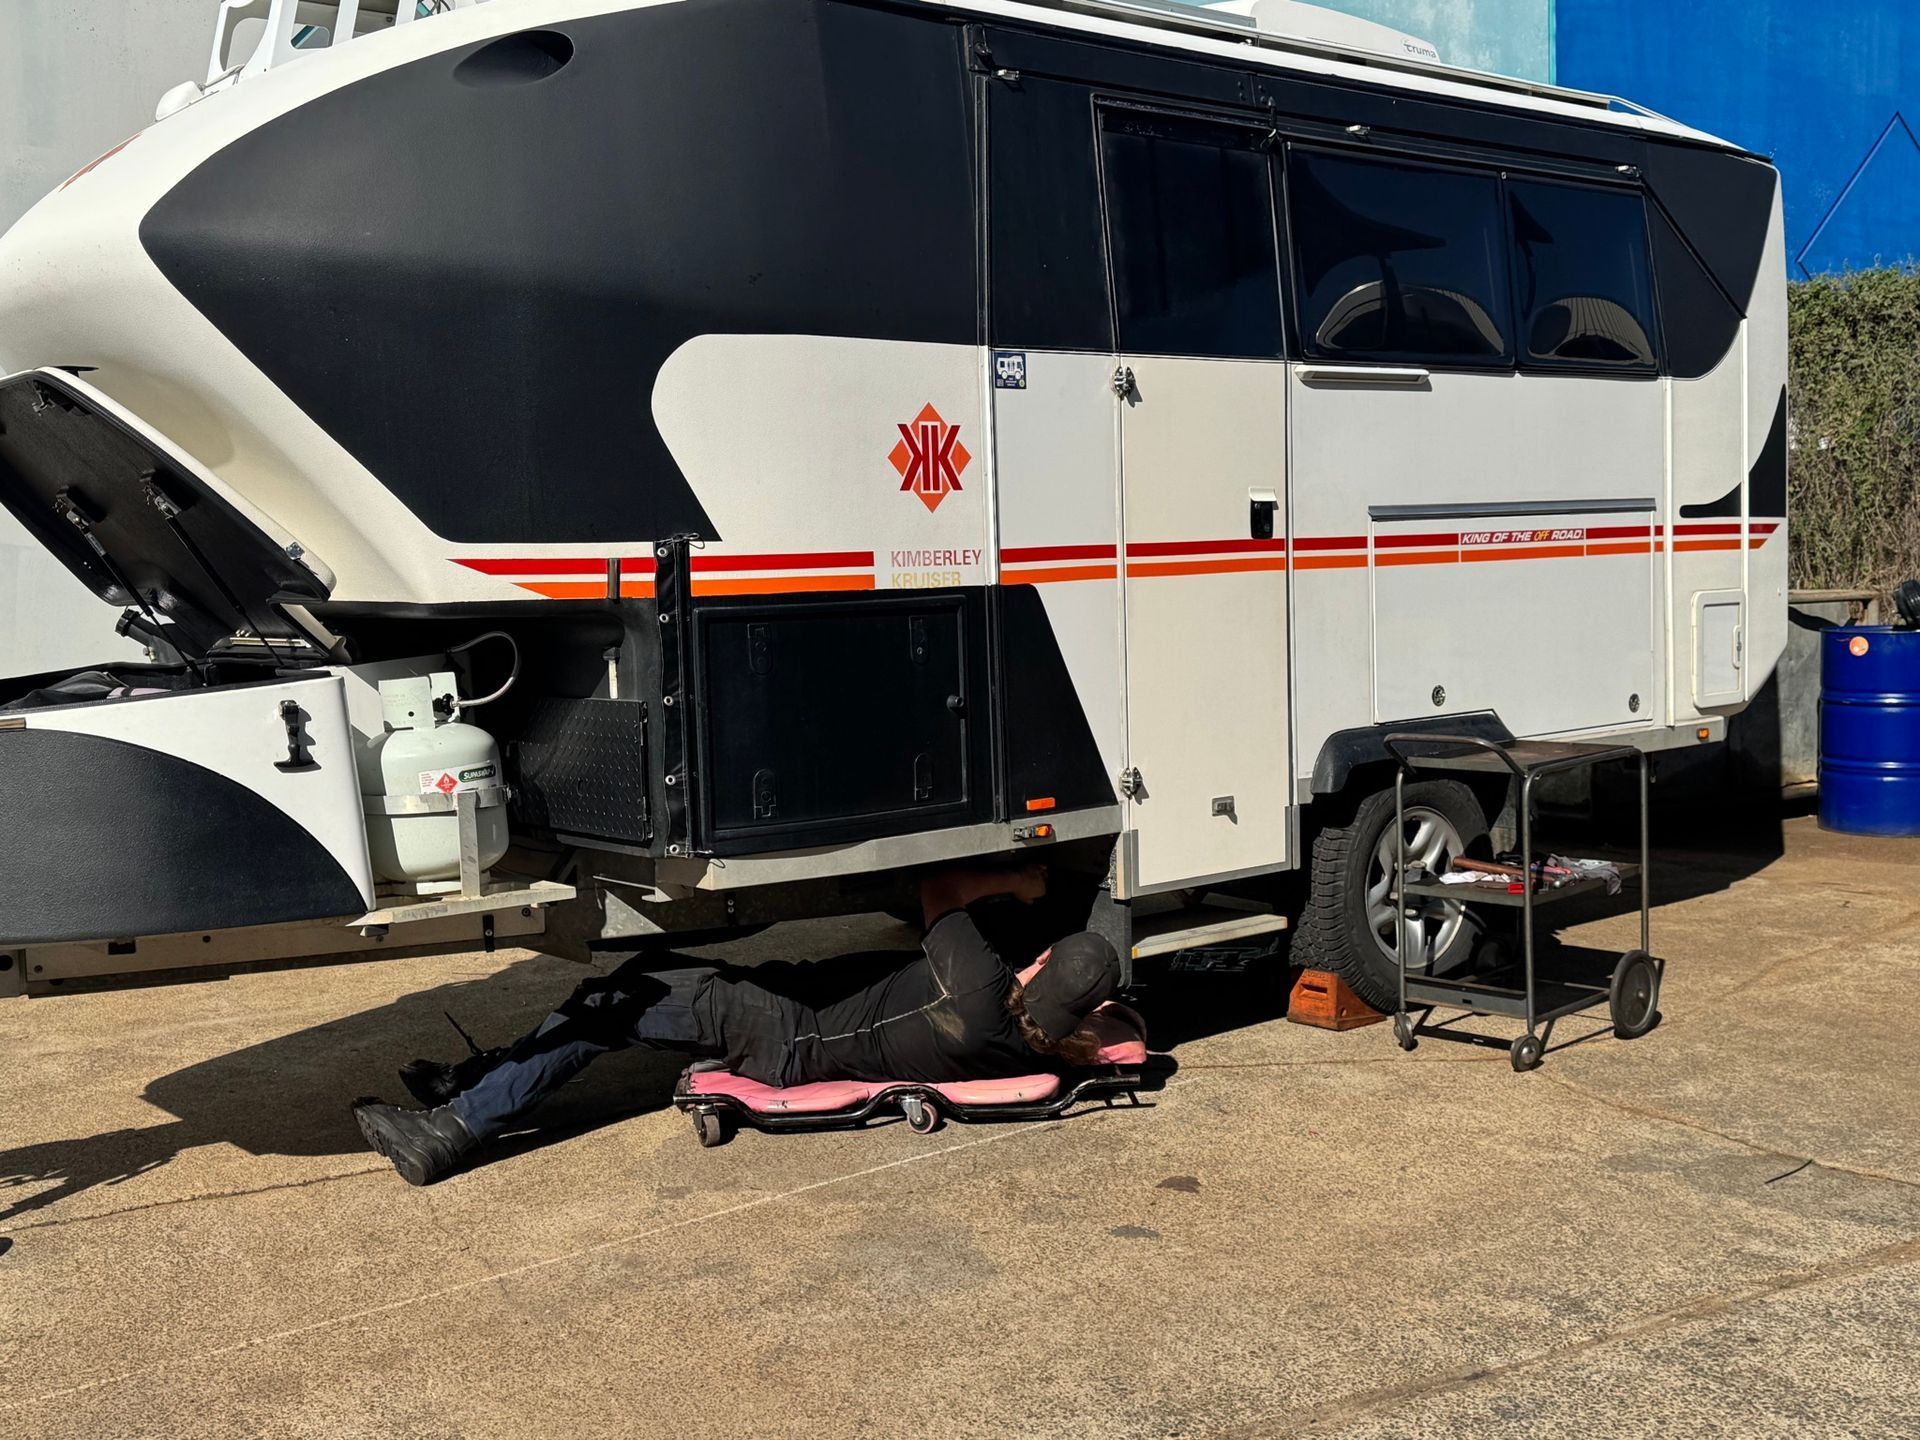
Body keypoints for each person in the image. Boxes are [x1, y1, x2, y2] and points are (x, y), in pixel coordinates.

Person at [353, 865, 1122, 1184]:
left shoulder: (981, 985)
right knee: (624, 986)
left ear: (1042, 962)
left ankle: (455, 1128)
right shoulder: (1017, 1037)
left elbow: (939, 886)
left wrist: (1015, 883)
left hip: (779, 1028)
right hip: (795, 1033)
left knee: (607, 1008)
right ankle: (475, 1081)